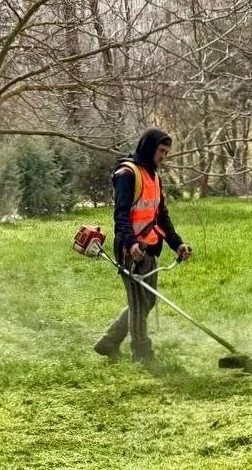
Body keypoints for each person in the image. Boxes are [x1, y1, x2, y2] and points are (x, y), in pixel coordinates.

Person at [94, 128, 191, 364]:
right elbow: (121, 215)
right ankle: (142, 354)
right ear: (149, 148)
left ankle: (109, 341)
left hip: (149, 246)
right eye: (161, 151)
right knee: (138, 303)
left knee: (147, 300)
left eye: (167, 152)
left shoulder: (154, 177)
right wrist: (130, 242)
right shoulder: (127, 173)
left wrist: (177, 244)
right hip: (131, 249)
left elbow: (161, 216)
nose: (163, 156)